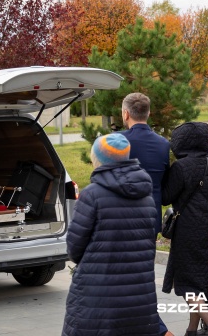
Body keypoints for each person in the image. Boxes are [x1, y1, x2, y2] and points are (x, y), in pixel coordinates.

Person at [63, 133, 159, 336]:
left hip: (98, 298)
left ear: (97, 160)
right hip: (139, 296)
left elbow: (74, 248)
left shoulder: (92, 195)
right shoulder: (147, 197)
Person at [162, 122, 208, 336]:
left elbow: (166, 197)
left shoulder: (181, 167)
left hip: (187, 232)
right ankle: (192, 330)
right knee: (202, 283)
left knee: (186, 283)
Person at [119, 92, 172, 336]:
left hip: (122, 219)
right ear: (148, 113)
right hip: (150, 219)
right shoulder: (163, 144)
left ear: (126, 113)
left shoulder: (117, 141)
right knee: (144, 275)